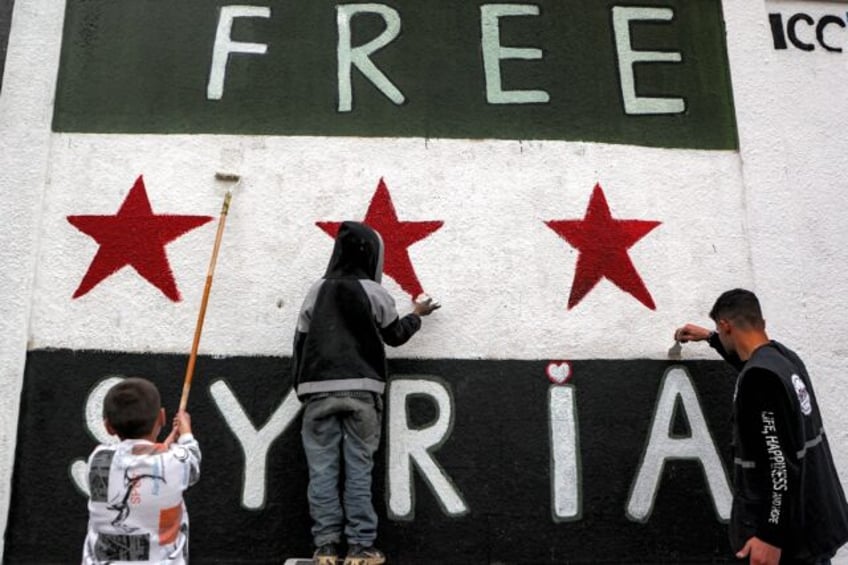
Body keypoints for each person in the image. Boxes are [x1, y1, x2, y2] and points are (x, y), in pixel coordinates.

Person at [292, 221, 440, 565]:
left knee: (322, 471)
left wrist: (302, 388)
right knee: (359, 468)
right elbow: (395, 335)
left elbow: (299, 341)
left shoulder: (316, 290)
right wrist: (417, 315)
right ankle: (361, 549)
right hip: (362, 392)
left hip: (317, 392)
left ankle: (326, 548)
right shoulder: (375, 292)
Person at [675, 289, 848, 565]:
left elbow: (779, 464)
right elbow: (750, 364)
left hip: (789, 541)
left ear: (726, 326)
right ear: (761, 322)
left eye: (719, 331)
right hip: (816, 521)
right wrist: (710, 338)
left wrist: (770, 536)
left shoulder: (760, 381)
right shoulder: (785, 360)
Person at [82, 377, 201, 564]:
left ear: (108, 427)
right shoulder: (176, 463)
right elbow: (192, 463)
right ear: (162, 417)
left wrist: (164, 447)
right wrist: (186, 433)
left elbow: (139, 460)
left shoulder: (98, 459)